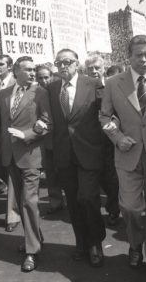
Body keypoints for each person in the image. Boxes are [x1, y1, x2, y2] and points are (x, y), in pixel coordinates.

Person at [100, 35, 146, 282]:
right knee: (131, 208)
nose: (144, 59)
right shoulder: (113, 83)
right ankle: (135, 244)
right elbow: (105, 117)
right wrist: (117, 137)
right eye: (139, 55)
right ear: (128, 56)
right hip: (127, 154)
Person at [48, 49, 107, 268]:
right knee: (73, 202)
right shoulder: (52, 88)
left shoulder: (93, 84)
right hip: (64, 154)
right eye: (59, 63)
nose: (63, 66)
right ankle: (81, 242)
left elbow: (106, 114)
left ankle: (95, 242)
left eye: (67, 62)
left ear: (76, 63)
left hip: (89, 152)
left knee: (88, 198)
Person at [0, 56, 51, 272]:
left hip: (30, 155)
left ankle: (32, 251)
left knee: (29, 201)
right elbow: (1, 124)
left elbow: (47, 122)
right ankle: (35, 237)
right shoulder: (3, 94)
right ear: (16, 71)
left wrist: (27, 134)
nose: (32, 73)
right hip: (10, 156)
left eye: (33, 69)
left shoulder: (40, 92)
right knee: (21, 202)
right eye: (27, 69)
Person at [84, 56, 121, 226]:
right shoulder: (81, 89)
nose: (93, 71)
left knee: (111, 178)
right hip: (87, 141)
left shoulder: (113, 86)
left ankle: (113, 209)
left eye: (97, 67)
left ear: (104, 68)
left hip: (109, 140)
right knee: (94, 178)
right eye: (90, 68)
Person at [0, 54, 21, 232]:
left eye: (1, 64)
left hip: (13, 137)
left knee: (12, 175)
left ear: (9, 67)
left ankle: (12, 215)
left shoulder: (16, 84)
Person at [35, 64, 64, 213]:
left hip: (62, 137)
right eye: (40, 78)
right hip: (46, 139)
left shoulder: (59, 90)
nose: (43, 81)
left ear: (52, 77)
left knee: (65, 172)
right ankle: (55, 202)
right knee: (51, 172)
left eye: (46, 77)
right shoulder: (35, 93)